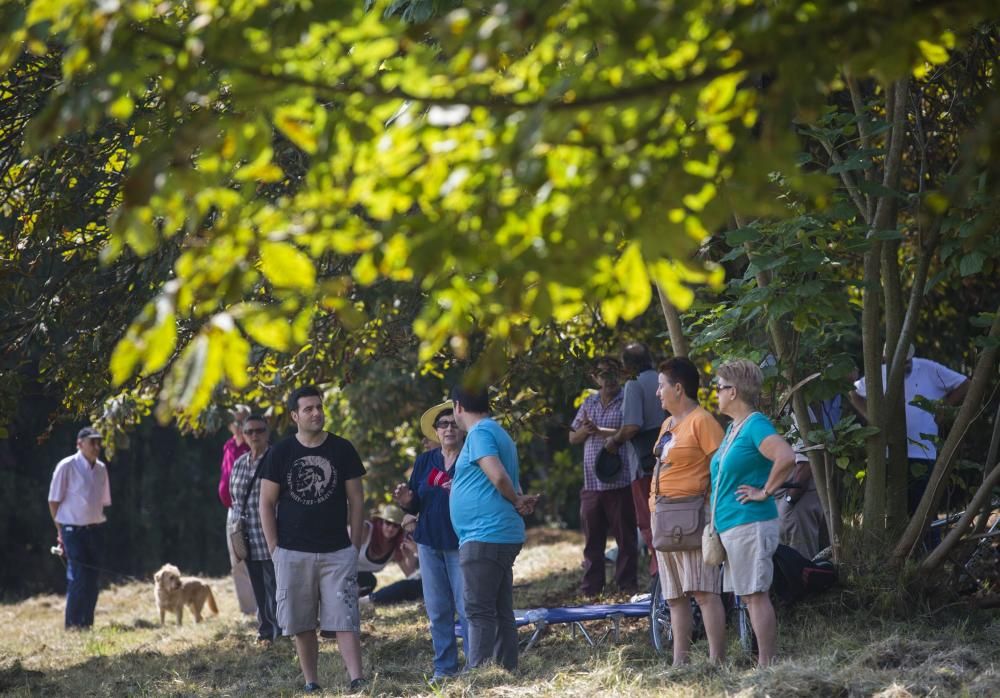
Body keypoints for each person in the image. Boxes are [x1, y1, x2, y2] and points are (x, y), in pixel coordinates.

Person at [259, 386, 368, 693]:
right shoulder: (280, 452)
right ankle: (311, 682)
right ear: (295, 416)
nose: (316, 413)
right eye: (308, 409)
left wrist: (354, 546)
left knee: (346, 617)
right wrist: (274, 549)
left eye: (319, 407)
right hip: (292, 551)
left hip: (337, 551)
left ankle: (356, 679)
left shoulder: (342, 449)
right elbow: (266, 503)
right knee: (301, 621)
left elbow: (357, 501)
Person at [711, 359, 796, 667]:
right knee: (748, 595)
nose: (716, 394)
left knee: (756, 594)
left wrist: (765, 491)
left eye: (719, 388)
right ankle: (762, 661)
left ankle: (766, 665)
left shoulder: (756, 424)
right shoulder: (735, 427)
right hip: (734, 525)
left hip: (751, 523)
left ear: (733, 392)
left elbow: (786, 456)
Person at [449, 384, 537, 672]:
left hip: (484, 534)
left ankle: (479, 674)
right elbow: (501, 478)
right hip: (496, 533)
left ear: (458, 406)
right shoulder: (498, 432)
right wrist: (519, 499)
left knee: (478, 611)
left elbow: (499, 477)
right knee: (499, 610)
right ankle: (505, 670)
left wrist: (515, 500)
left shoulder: (479, 433)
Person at [650, 358, 727, 665]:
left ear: (678, 388)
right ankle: (679, 662)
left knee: (704, 591)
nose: (657, 392)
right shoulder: (667, 424)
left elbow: (722, 468)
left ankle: (715, 661)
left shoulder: (702, 421)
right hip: (664, 519)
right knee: (673, 595)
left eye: (661, 385)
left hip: (693, 518)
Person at [393, 401, 469, 680]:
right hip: (428, 541)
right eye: (443, 424)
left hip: (461, 541)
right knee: (438, 610)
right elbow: (415, 504)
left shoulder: (471, 458)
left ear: (462, 429)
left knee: (466, 607)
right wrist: (406, 500)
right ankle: (445, 668)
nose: (449, 428)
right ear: (435, 432)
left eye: (454, 423)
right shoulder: (425, 461)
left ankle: (474, 666)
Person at [849, 343, 969, 514]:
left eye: (906, 361)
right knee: (892, 508)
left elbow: (965, 383)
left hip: (923, 451)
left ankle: (927, 540)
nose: (903, 365)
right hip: (889, 452)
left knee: (922, 507)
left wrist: (944, 409)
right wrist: (872, 418)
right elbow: (853, 392)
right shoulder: (878, 374)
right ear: (886, 359)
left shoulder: (929, 368)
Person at [569, 356, 638, 596]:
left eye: (612, 373)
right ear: (594, 377)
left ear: (620, 374)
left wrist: (600, 431)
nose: (608, 379)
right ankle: (591, 588)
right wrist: (585, 431)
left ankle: (627, 586)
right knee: (592, 540)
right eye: (602, 374)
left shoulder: (627, 399)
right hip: (591, 483)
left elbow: (630, 430)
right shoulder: (588, 403)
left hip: (620, 480)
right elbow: (572, 437)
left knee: (625, 538)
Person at [606, 342, 666, 577]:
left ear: (627, 367)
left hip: (644, 465)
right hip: (670, 461)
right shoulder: (664, 380)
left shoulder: (634, 385)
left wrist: (614, 442)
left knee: (648, 521)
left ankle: (658, 573)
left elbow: (632, 426)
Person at [48, 426, 111, 630]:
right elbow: (53, 501)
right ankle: (73, 625)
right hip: (72, 530)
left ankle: (87, 624)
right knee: (78, 577)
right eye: (91, 442)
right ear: (79, 444)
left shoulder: (101, 468)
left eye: (98, 442)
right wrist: (61, 530)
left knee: (92, 580)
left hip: (95, 530)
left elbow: (101, 501)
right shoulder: (67, 466)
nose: (96, 446)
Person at [228, 414, 280, 643]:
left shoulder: (277, 459)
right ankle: (265, 630)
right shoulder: (239, 464)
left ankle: (282, 630)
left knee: (276, 587)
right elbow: (234, 499)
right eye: (249, 432)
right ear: (244, 435)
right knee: (257, 586)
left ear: (267, 433)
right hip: (247, 537)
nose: (254, 435)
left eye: (259, 430)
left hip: (272, 535)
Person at [219, 405, 256, 616]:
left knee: (256, 559)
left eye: (243, 421)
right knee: (237, 560)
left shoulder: (251, 447)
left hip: (250, 510)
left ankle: (263, 608)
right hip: (232, 512)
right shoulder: (228, 445)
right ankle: (248, 611)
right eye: (236, 421)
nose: (240, 426)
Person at [358, 514, 424, 607]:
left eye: (396, 526)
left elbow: (410, 576)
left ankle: (361, 601)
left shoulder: (396, 546)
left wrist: (410, 555)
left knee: (370, 580)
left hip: (362, 579)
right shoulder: (366, 530)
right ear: (381, 522)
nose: (390, 528)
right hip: (343, 572)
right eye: (388, 523)